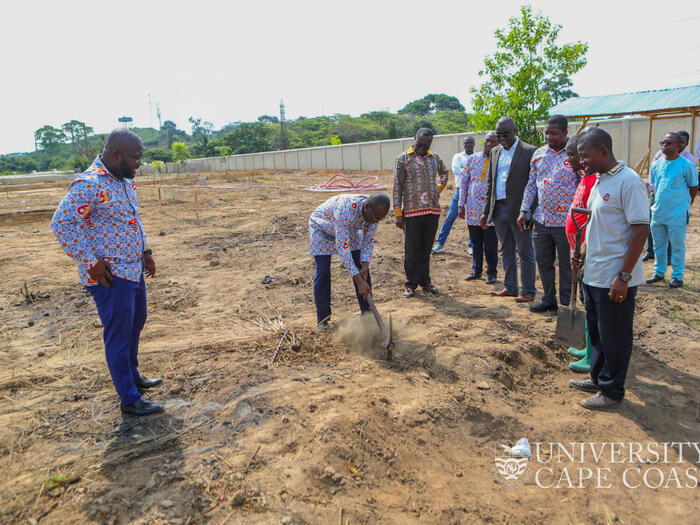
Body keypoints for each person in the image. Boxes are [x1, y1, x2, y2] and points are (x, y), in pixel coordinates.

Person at [50, 129, 163, 416]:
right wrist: (90, 261)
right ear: (116, 155)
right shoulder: (90, 184)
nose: (139, 163)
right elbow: (62, 223)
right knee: (119, 334)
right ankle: (129, 399)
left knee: (136, 323)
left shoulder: (124, 180)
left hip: (132, 268)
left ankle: (133, 376)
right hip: (111, 277)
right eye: (136, 158)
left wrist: (145, 251)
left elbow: (132, 220)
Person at [569, 128, 649, 410]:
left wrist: (624, 277)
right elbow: (594, 225)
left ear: (603, 151)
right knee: (598, 333)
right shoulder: (600, 181)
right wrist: (581, 253)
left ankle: (612, 391)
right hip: (594, 274)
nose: (582, 161)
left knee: (615, 337)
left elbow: (640, 230)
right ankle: (598, 378)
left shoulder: (629, 182)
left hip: (615, 278)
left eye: (585, 155)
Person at [518, 115, 580, 313]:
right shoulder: (539, 154)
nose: (548, 137)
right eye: (546, 132)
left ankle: (565, 304)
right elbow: (531, 185)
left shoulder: (574, 154)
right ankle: (548, 300)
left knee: (566, 266)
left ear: (565, 133)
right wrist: (524, 209)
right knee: (544, 262)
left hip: (566, 223)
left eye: (553, 133)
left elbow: (582, 185)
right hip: (542, 220)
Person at [309, 193, 389, 326]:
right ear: (367, 207)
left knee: (362, 270)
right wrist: (358, 280)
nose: (376, 222)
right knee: (322, 272)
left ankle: (367, 316)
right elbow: (343, 249)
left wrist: (365, 265)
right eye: (375, 218)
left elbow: (368, 241)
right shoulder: (346, 209)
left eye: (380, 219)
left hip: (348, 230)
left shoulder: (374, 215)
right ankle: (323, 320)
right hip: (322, 227)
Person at [481, 117, 537, 302]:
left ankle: (528, 290)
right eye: (499, 134)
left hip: (520, 210)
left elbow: (534, 184)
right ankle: (510, 287)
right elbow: (490, 182)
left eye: (505, 134)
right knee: (506, 249)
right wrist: (485, 211)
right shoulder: (495, 152)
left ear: (514, 131)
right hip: (499, 209)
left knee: (525, 250)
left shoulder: (529, 151)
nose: (502, 137)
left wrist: (530, 211)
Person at [393, 128, 448, 298]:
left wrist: (438, 188)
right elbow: (397, 186)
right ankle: (411, 284)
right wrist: (397, 213)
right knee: (412, 250)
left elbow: (445, 172)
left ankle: (426, 281)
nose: (424, 148)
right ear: (415, 139)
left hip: (432, 210)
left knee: (425, 249)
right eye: (421, 144)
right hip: (412, 211)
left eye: (427, 145)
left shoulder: (434, 158)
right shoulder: (403, 159)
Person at [563, 134, 598, 373]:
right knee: (586, 301)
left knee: (591, 303)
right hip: (579, 248)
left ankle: (593, 355)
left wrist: (583, 250)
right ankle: (588, 347)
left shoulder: (595, 178)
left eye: (573, 155)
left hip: (589, 251)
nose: (570, 160)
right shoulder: (585, 177)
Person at [645, 133, 698, 288]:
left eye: (669, 143)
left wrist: (687, 203)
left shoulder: (687, 165)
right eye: (663, 142)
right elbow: (654, 186)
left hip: (677, 213)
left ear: (678, 146)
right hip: (658, 212)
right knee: (658, 245)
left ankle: (677, 276)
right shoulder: (656, 165)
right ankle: (659, 273)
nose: (665, 146)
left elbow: (693, 186)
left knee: (677, 246)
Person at [458, 131, 498, 283]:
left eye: (493, 142)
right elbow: (464, 182)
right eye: (487, 141)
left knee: (490, 244)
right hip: (473, 208)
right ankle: (476, 270)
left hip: (491, 210)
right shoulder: (472, 159)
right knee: (475, 243)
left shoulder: (499, 160)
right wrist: (461, 204)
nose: (489, 144)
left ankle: (492, 273)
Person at [432, 136, 475, 254]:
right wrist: (470, 171)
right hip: (460, 191)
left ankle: (472, 245)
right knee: (450, 217)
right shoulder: (457, 156)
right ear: (464, 144)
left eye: (471, 142)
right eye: (466, 142)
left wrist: (464, 170)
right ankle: (440, 244)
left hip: (473, 192)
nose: (468, 144)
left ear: (474, 144)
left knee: (472, 219)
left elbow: (476, 172)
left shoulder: (478, 156)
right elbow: (455, 169)